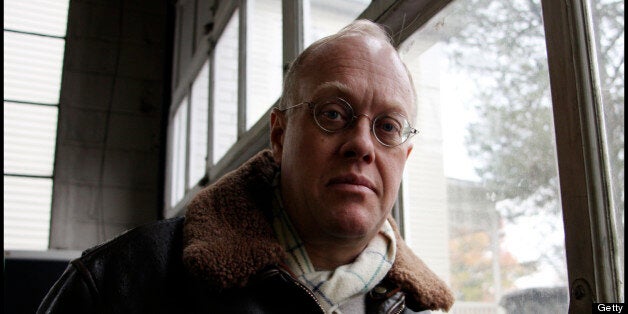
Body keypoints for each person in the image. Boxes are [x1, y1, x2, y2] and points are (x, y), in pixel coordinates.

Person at [37, 20, 454, 313]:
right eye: (332, 114)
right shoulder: (121, 283)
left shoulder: (419, 309)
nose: (362, 144)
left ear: (404, 158)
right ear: (279, 135)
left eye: (387, 127)